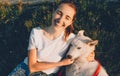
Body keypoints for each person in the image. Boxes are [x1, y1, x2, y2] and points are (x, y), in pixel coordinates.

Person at [8, 1, 95, 76]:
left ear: (71, 22)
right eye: (59, 13)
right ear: (53, 12)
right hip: (25, 69)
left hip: (47, 74)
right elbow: (32, 67)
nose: (60, 19)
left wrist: (90, 55)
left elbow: (86, 47)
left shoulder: (72, 38)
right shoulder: (36, 32)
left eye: (67, 17)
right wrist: (61, 63)